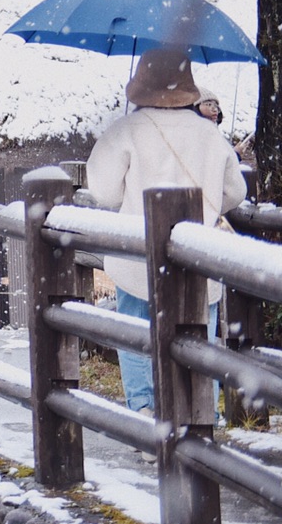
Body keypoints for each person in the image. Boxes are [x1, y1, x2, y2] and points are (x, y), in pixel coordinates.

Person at [86, 48, 246, 412]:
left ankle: (146, 411)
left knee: (138, 335)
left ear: (141, 86)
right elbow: (236, 191)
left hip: (139, 257)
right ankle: (200, 414)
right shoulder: (209, 134)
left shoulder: (126, 129)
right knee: (199, 336)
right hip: (197, 256)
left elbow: (104, 191)